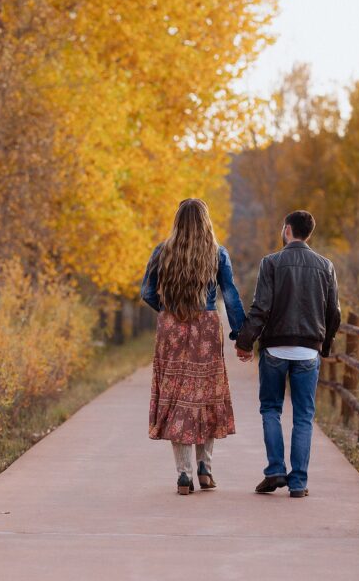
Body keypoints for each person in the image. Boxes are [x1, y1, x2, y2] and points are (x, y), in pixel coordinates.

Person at [141, 198, 245, 495]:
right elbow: (232, 296)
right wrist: (241, 333)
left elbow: (147, 292)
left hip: (172, 326)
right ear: (206, 221)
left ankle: (184, 474)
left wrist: (167, 310)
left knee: (176, 397)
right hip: (206, 328)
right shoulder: (217, 253)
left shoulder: (163, 251)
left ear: (177, 221)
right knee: (205, 396)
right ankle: (205, 469)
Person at [233, 210, 340, 499]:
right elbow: (334, 313)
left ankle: (275, 470)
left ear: (288, 229)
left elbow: (261, 308)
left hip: (275, 350)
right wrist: (324, 347)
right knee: (304, 416)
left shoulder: (271, 263)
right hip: (308, 352)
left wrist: (244, 342)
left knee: (271, 409)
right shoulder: (325, 266)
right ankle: (298, 483)